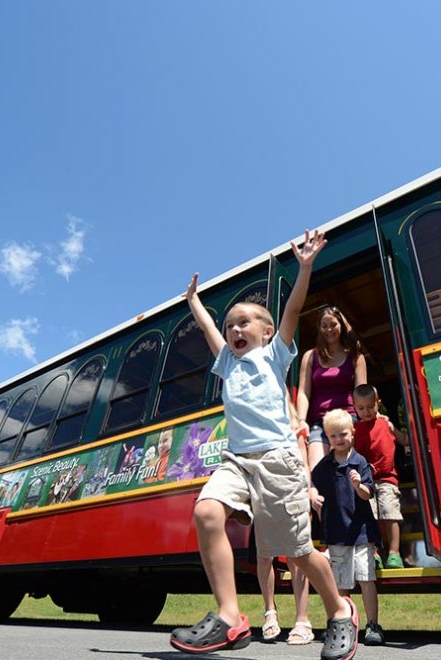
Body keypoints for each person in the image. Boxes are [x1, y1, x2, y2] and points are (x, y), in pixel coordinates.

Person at [170, 229, 360, 660]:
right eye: (230, 325)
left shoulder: (276, 353)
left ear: (267, 330)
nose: (235, 329)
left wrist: (305, 265)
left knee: (298, 551)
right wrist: (194, 302)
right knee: (206, 511)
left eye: (244, 322)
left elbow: (294, 307)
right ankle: (230, 615)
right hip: (237, 460)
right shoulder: (227, 363)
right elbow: (207, 331)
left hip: (277, 461)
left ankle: (339, 610)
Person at [311, 408, 384, 646]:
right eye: (333, 436)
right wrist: (313, 495)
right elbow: (312, 483)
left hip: (362, 532)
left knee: (366, 578)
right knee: (341, 584)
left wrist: (358, 485)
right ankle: (344, 624)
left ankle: (373, 624)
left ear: (352, 433)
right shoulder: (325, 465)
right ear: (327, 438)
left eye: (343, 434)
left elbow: (367, 494)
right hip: (337, 533)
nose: (339, 439)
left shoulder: (359, 461)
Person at [256, 398, 314, 645]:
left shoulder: (294, 427)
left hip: (293, 492)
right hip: (263, 493)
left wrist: (307, 491)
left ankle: (302, 620)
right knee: (264, 555)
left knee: (298, 555)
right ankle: (270, 612)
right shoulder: (255, 430)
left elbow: (304, 463)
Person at [297, 306, 367, 472]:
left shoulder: (356, 356)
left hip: (347, 419)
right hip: (319, 423)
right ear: (319, 329)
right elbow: (303, 392)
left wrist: (371, 414)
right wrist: (301, 421)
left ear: (341, 325)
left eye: (333, 324)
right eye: (324, 325)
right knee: (317, 471)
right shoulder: (310, 356)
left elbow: (362, 392)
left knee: (347, 471)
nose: (329, 329)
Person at [353, 384, 409, 569]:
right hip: (366, 482)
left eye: (370, 407)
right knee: (371, 517)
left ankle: (394, 553)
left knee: (390, 513)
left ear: (378, 403)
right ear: (355, 407)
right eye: (361, 408)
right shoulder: (356, 430)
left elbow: (404, 441)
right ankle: (375, 553)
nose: (366, 411)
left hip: (387, 479)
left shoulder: (386, 423)